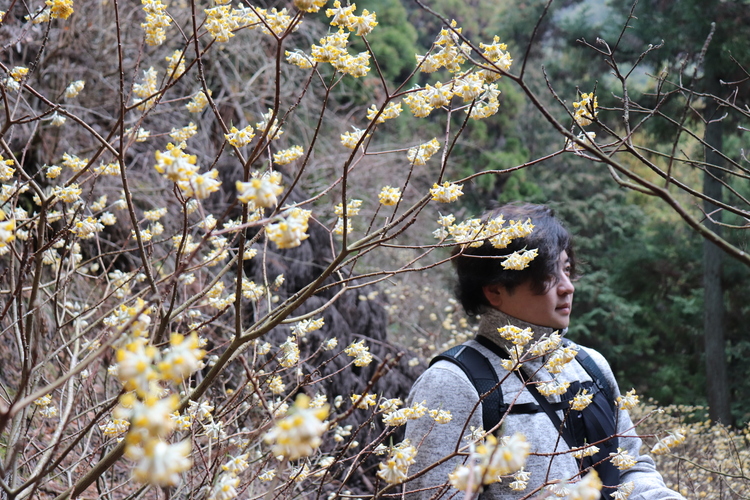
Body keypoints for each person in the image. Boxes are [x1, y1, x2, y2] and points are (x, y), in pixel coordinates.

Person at [403, 203, 684, 500]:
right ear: (495, 290)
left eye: (567, 269)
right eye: (548, 274)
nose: (567, 287)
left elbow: (629, 468)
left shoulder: (590, 367)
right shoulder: (453, 384)